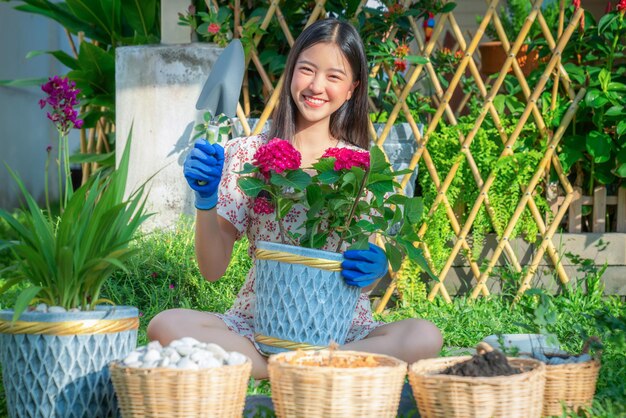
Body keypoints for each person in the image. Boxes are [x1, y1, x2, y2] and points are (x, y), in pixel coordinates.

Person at [147, 18, 442, 379]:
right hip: (259, 325)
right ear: (291, 74)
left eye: (334, 76)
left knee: (425, 335)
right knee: (166, 325)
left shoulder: (361, 166)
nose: (317, 86)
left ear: (352, 88)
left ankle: (289, 369)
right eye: (307, 69)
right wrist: (206, 199)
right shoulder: (247, 154)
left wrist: (375, 270)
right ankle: (316, 369)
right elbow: (212, 270)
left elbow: (358, 277)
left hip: (342, 328)